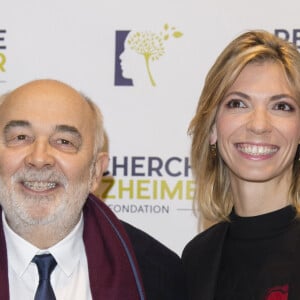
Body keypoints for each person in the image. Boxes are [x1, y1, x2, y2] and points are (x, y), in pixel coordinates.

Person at [0, 79, 186, 300]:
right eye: (20, 138)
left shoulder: (158, 273)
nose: (39, 158)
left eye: (64, 141)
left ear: (96, 172)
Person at [182, 30, 300, 300]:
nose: (259, 125)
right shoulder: (197, 258)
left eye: (281, 106)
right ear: (212, 127)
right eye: (238, 104)